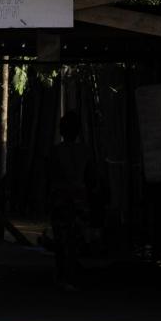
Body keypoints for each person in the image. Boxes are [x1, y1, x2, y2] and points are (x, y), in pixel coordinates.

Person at [48, 111, 96, 291]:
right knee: (75, 238)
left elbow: (50, 176)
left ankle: (63, 275)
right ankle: (72, 274)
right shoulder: (85, 151)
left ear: (62, 131)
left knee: (61, 238)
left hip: (61, 198)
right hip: (79, 198)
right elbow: (91, 178)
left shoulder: (56, 152)